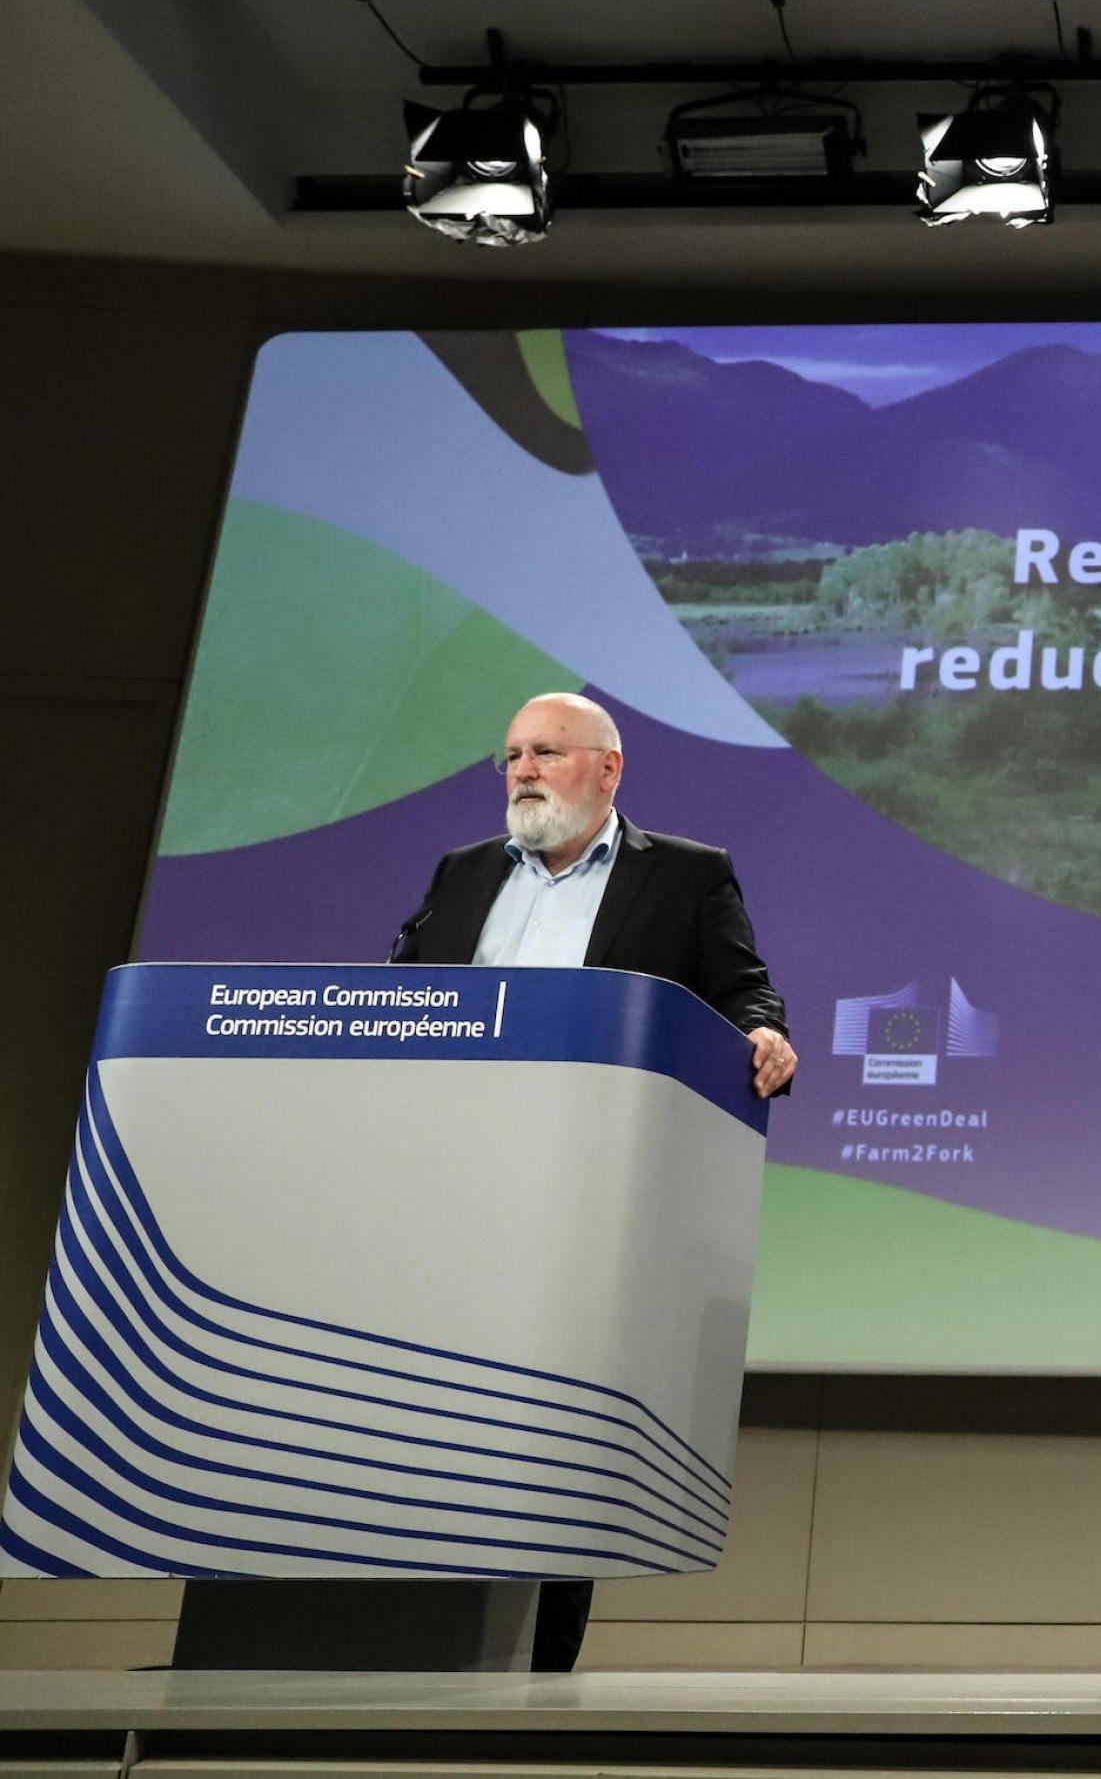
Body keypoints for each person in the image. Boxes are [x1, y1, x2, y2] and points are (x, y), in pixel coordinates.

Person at [390, 690, 796, 1671]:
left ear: (607, 769)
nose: (522, 770)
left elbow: (741, 987)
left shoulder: (687, 877)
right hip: (440, 1190)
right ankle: (392, 1640)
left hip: (578, 1207)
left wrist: (765, 1032)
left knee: (555, 1430)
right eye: (514, 753)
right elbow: (399, 985)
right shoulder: (464, 872)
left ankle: (538, 1675)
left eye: (547, 753)